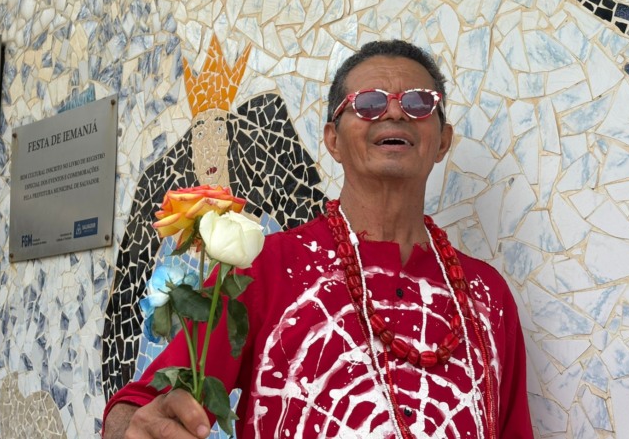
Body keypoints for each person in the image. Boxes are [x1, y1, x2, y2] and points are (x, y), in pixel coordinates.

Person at [102, 40, 533, 438]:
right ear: (333, 140)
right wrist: (135, 428)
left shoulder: (487, 295)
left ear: (442, 141)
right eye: (368, 102)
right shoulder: (264, 267)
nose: (395, 113)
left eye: (419, 103)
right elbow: (138, 407)